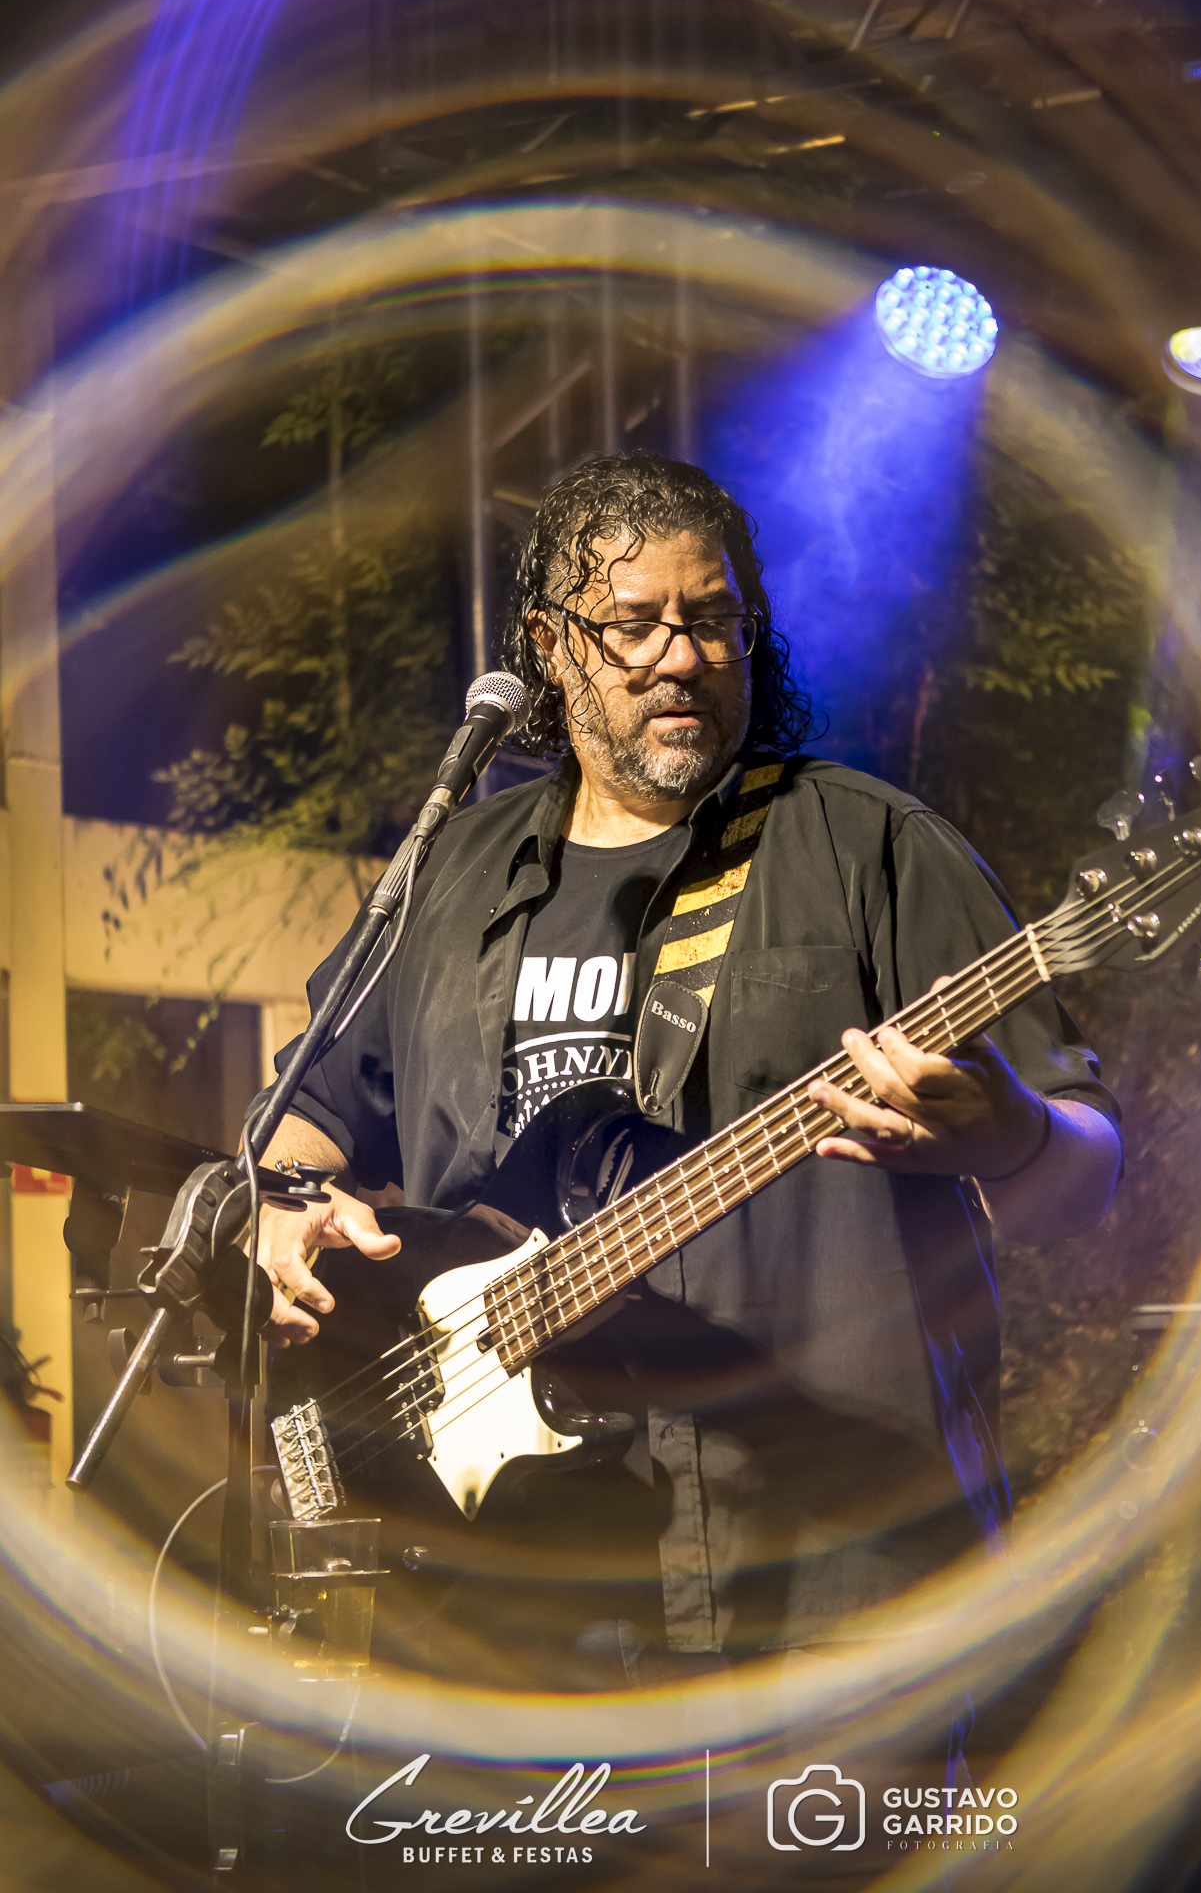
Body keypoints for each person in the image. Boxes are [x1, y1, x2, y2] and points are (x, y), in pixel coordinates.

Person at [251, 453, 1121, 1670]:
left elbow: (1087, 1173)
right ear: (551, 646)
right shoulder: (448, 874)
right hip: (508, 1589)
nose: (683, 656)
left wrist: (1014, 1134)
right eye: (635, 624)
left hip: (831, 1577)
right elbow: (312, 1109)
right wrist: (283, 1208)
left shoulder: (872, 846)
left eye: (715, 619)